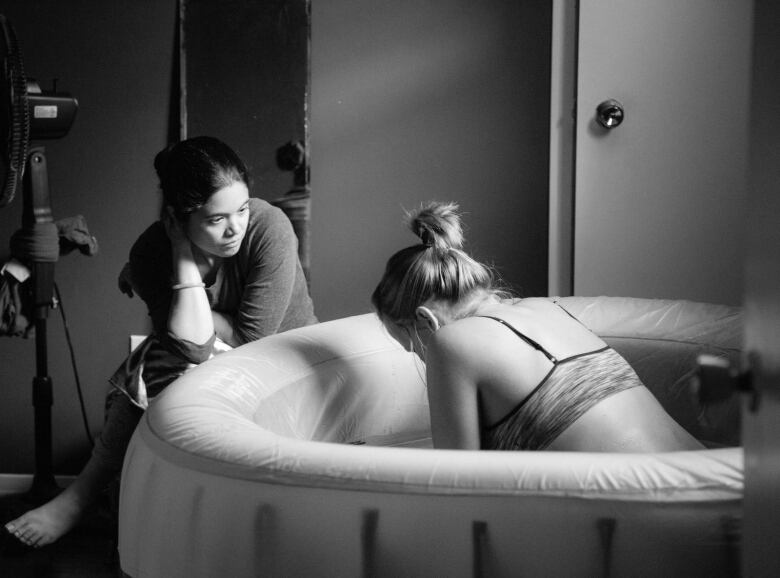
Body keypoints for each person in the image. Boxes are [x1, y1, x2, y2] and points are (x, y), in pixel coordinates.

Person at [5, 136, 317, 547]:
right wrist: (182, 259)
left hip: (286, 364)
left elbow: (251, 337)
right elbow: (189, 346)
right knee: (161, 362)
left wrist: (190, 304)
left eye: (241, 209)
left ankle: (79, 497)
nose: (234, 227)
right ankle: (145, 517)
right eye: (215, 219)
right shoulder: (151, 253)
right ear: (176, 220)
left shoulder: (269, 228)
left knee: (155, 360)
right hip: (208, 363)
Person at [371, 201, 703, 452]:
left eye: (415, 348)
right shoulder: (544, 310)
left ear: (426, 321)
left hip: (652, 512)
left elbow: (454, 486)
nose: (423, 359)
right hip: (712, 475)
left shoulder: (451, 342)